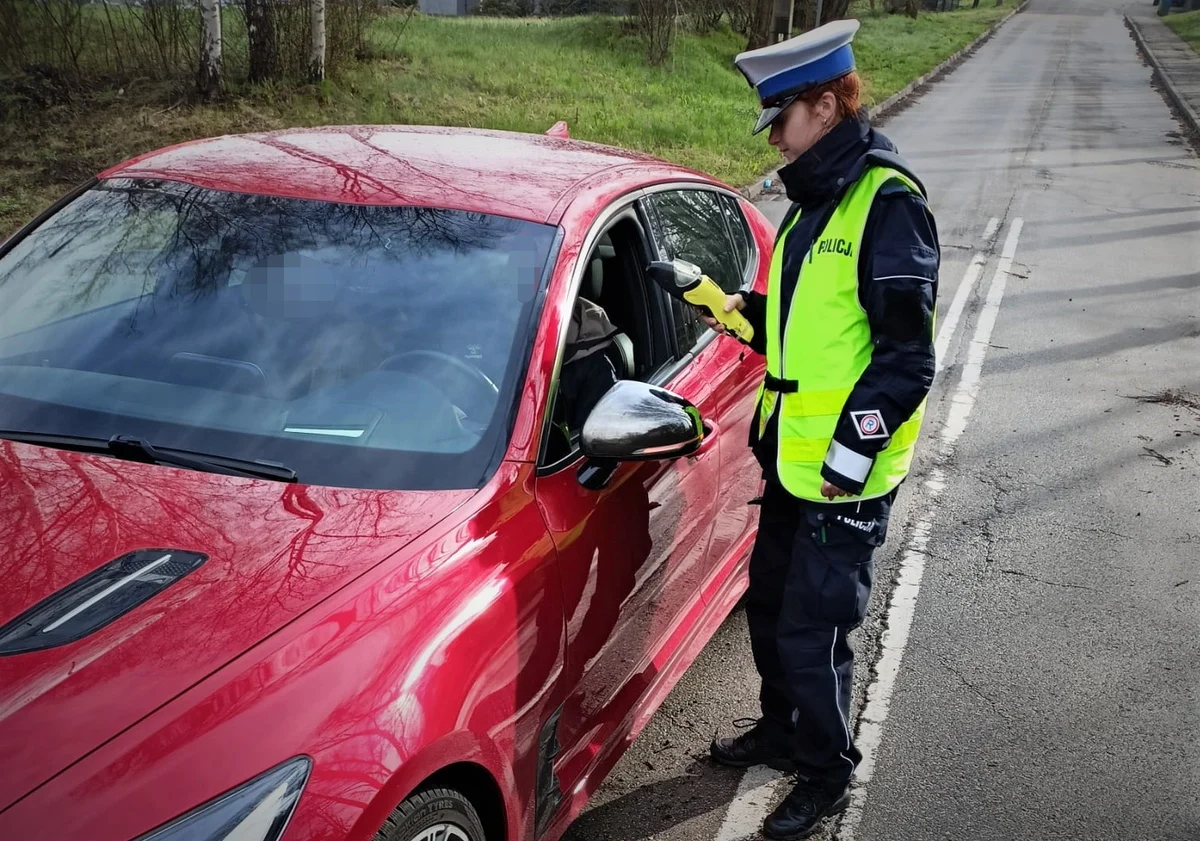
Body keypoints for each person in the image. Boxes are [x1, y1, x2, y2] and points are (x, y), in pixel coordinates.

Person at [703, 19, 940, 841]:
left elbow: (907, 360)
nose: (774, 136)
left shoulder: (886, 204)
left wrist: (849, 454)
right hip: (794, 462)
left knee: (814, 628)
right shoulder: (816, 202)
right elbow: (813, 334)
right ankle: (780, 731)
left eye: (782, 119)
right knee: (770, 607)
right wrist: (736, 311)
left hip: (846, 473)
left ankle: (827, 771)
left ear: (827, 107)